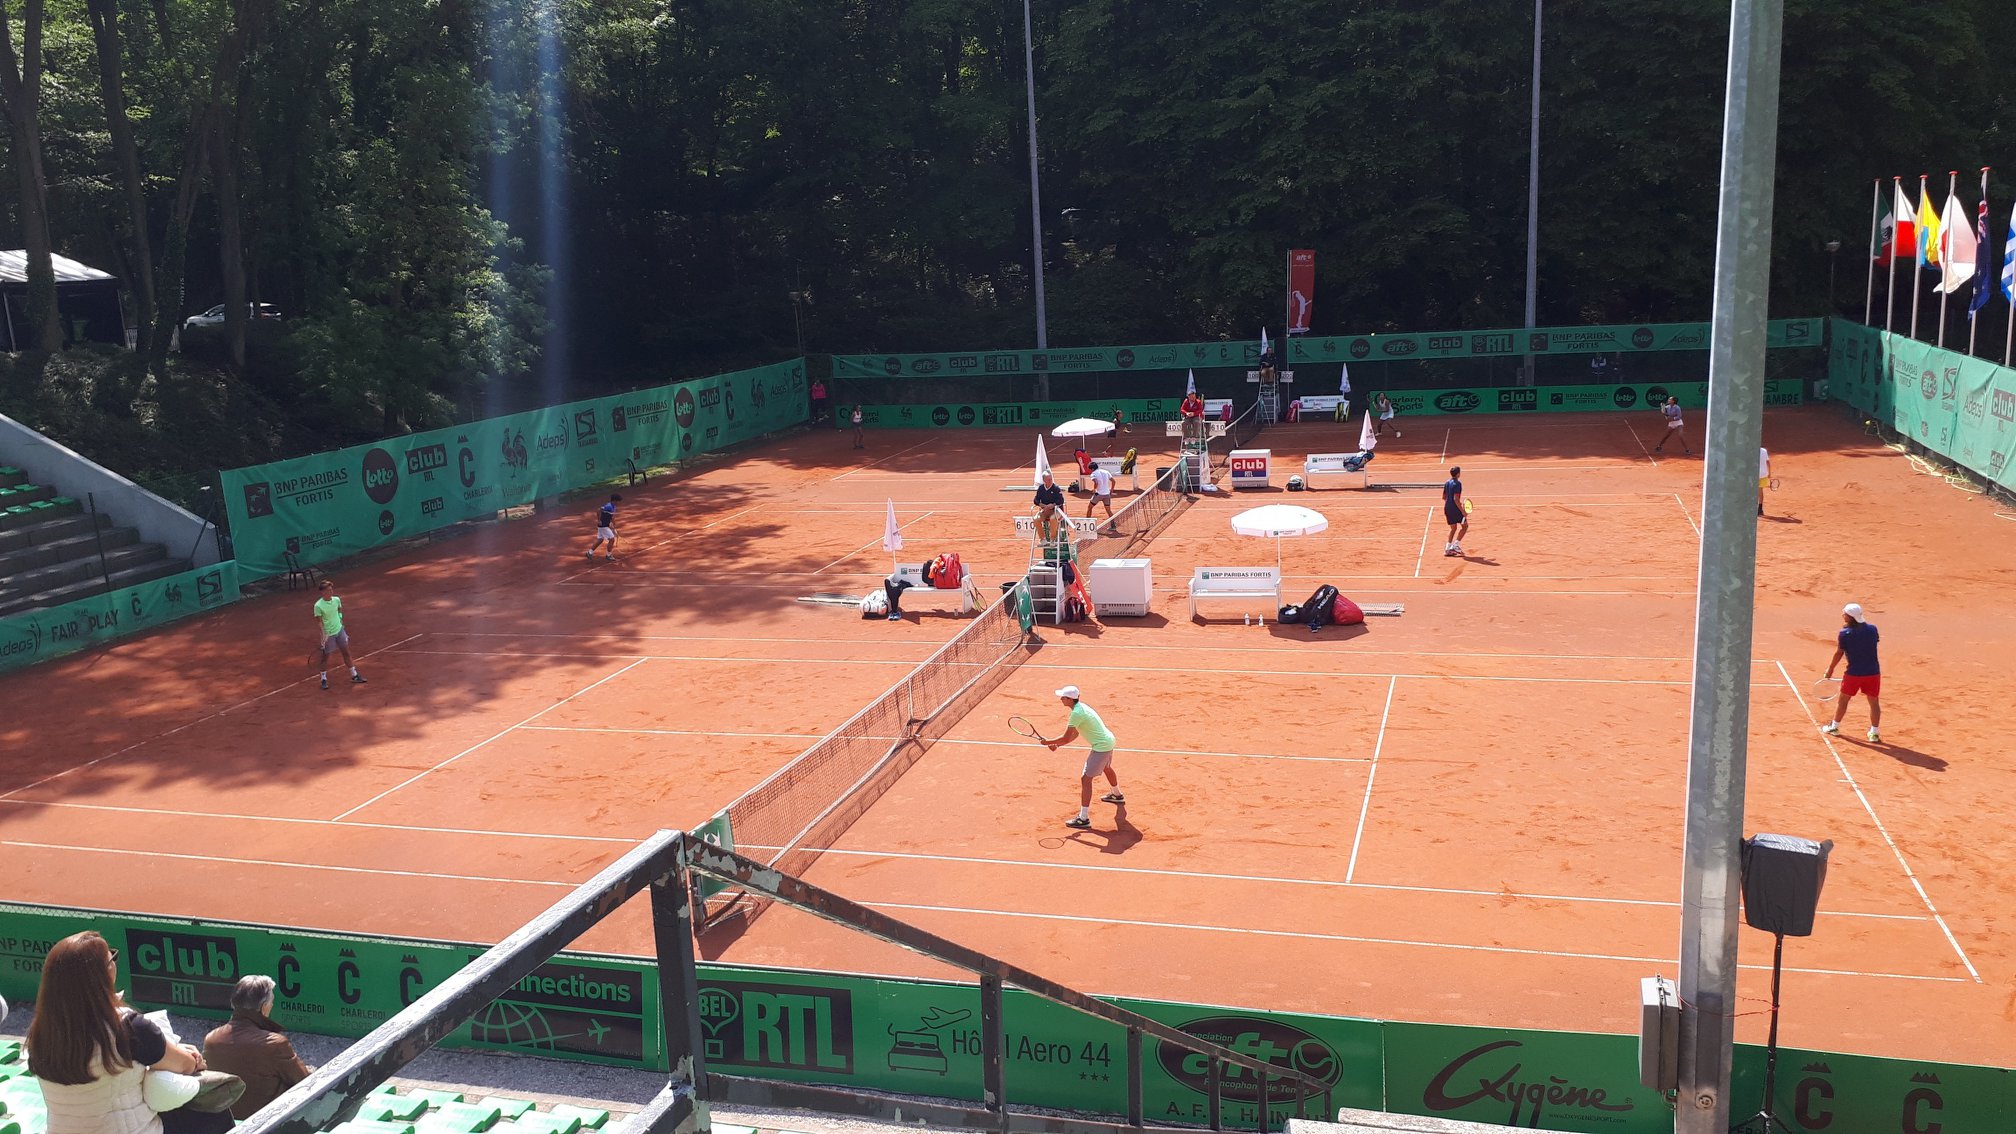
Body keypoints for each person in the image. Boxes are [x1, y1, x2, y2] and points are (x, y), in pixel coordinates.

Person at [27, 931, 233, 1134]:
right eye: (111, 959)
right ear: (104, 973)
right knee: (213, 1104)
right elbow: (185, 1065)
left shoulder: (40, 1033)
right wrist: (188, 1056)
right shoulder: (128, 1027)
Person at [203, 975, 311, 1120]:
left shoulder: (211, 1039)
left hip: (227, 1123)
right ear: (264, 1007)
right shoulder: (275, 1044)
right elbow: (305, 1082)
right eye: (271, 1002)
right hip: (269, 1123)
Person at [1044, 685, 1121, 829]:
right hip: (1109, 740)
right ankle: (1117, 794)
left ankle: (1083, 818)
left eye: (1063, 697)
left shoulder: (1076, 714)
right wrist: (1057, 744)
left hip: (1101, 746)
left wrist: (1049, 742)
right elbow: (1076, 734)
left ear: (1069, 699)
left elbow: (1066, 738)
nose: (1061, 699)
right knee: (1106, 767)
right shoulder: (1081, 708)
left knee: (1086, 779)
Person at [1822, 603, 1882, 743]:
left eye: (1844, 614)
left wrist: (1830, 669)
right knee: (1874, 702)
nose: (1842, 615)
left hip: (1853, 674)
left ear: (1850, 617)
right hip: (1873, 672)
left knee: (1843, 700)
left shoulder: (1844, 634)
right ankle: (1874, 733)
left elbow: (1839, 653)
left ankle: (1834, 727)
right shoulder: (1873, 629)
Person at [313, 579, 366, 691]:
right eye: (328, 590)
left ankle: (354, 675)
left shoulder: (336, 600)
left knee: (346, 653)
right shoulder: (318, 606)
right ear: (323, 592)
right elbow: (319, 622)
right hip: (329, 634)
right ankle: (323, 679)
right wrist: (324, 635)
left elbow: (339, 609)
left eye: (331, 589)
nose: (331, 592)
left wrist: (341, 619)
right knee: (325, 657)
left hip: (340, 630)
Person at [585, 493, 621, 561]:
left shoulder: (614, 507)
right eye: (618, 501)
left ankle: (589, 553)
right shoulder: (608, 506)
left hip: (605, 525)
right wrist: (598, 520)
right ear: (615, 501)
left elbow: (611, 516)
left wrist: (613, 525)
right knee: (612, 539)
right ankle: (608, 555)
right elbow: (599, 510)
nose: (619, 503)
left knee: (600, 539)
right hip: (603, 525)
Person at [1442, 466, 1468, 557]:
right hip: (1455, 509)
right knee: (1465, 526)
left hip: (1447, 508)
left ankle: (1448, 548)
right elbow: (1456, 499)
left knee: (1453, 528)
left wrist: (1450, 505)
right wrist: (1463, 511)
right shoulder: (1458, 484)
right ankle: (1456, 546)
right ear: (1458, 474)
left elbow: (1444, 497)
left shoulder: (1447, 483)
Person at [1033, 471, 1065, 543]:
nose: (1050, 481)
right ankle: (1042, 539)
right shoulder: (1041, 488)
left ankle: (1052, 539)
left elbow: (1061, 500)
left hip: (1056, 510)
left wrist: (1053, 505)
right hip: (1044, 511)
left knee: (1053, 519)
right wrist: (1042, 505)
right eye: (1048, 479)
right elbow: (1036, 500)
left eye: (1051, 479)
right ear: (1044, 480)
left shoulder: (1056, 488)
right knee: (1036, 519)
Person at [1085, 462, 1116, 531]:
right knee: (1108, 510)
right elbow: (1113, 481)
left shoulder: (1093, 474)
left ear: (1092, 468)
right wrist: (1111, 491)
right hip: (1107, 494)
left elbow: (1096, 482)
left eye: (1090, 469)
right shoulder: (1106, 471)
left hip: (1098, 494)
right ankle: (1113, 525)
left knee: (1090, 507)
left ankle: (1087, 525)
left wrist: (1094, 489)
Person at [1758, 446, 1771, 516]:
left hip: (1754, 475)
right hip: (1763, 474)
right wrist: (1769, 473)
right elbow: (1768, 462)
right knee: (1760, 490)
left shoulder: (1750, 451)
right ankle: (1760, 509)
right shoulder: (1764, 450)